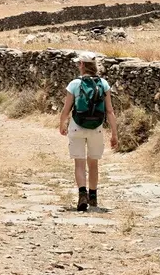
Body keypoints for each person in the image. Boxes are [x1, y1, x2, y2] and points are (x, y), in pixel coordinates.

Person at [59, 51, 118, 212]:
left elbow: (66, 108)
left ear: (82, 65)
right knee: (93, 163)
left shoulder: (74, 84)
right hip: (96, 128)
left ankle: (82, 194)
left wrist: (62, 123)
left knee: (79, 163)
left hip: (77, 126)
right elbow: (110, 111)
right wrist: (114, 134)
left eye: (79, 63)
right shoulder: (104, 84)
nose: (78, 66)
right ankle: (93, 196)